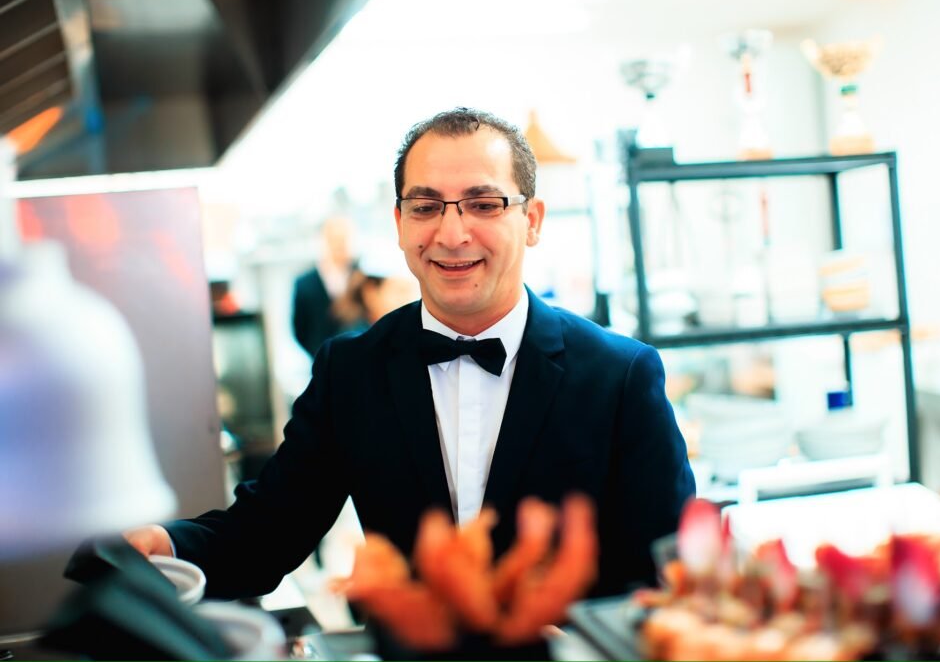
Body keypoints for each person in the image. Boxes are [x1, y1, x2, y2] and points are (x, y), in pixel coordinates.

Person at [125, 107, 695, 603]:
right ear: (400, 224)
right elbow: (266, 534)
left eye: (482, 204)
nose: (451, 233)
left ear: (533, 221)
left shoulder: (621, 375)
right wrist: (170, 544)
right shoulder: (350, 372)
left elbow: (668, 571)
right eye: (425, 207)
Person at [291, 216, 366, 357]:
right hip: (321, 360)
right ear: (323, 241)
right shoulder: (304, 283)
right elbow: (300, 330)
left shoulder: (364, 276)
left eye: (344, 239)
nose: (340, 245)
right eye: (335, 240)